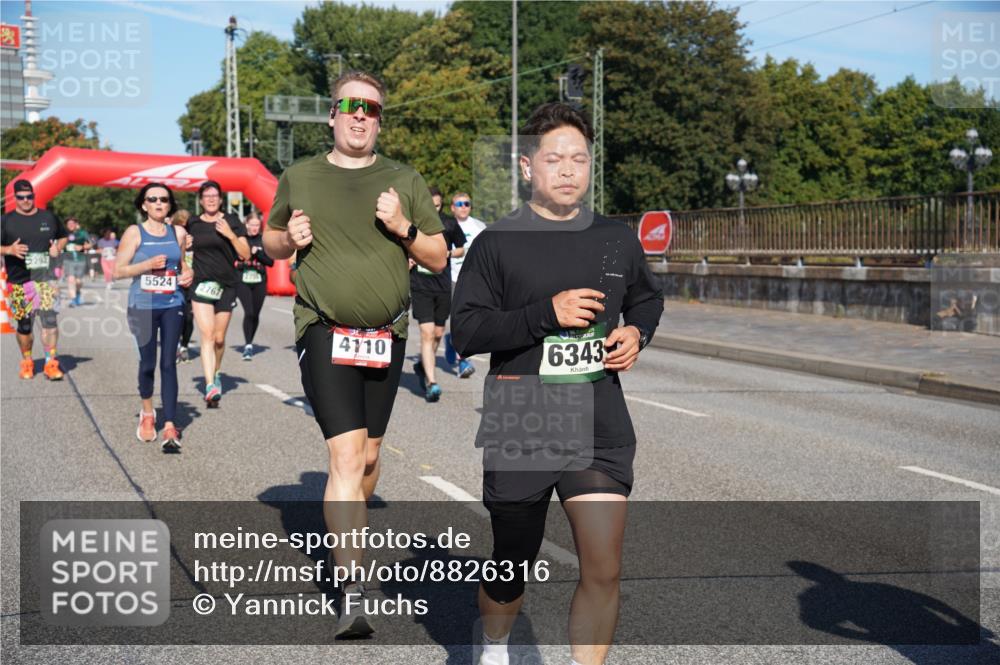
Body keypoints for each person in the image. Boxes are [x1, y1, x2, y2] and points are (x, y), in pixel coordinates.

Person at [451, 103, 664, 665]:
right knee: (511, 560)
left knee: (603, 565)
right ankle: (494, 646)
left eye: (580, 159)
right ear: (527, 167)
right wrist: (546, 311)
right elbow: (467, 331)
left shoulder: (615, 238)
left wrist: (638, 332)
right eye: (554, 158)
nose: (568, 169)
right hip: (525, 410)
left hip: (598, 413)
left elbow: (646, 295)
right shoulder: (497, 242)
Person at [263, 70, 446, 638]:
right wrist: (287, 240)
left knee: (368, 459)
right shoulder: (300, 175)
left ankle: (349, 536)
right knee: (344, 459)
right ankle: (352, 590)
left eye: (371, 108)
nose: (360, 115)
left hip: (385, 335)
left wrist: (402, 225)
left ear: (379, 119)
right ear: (332, 115)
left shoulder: (404, 179)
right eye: (349, 105)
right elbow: (267, 241)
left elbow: (438, 257)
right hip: (322, 327)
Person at [114, 183, 194, 452]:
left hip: (173, 303)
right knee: (148, 363)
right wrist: (146, 265)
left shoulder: (178, 232)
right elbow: (117, 271)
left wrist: (188, 274)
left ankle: (170, 424)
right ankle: (148, 412)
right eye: (153, 199)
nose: (159, 203)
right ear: (144, 205)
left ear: (170, 204)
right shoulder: (134, 233)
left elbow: (182, 266)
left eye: (164, 199)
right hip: (142, 305)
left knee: (168, 363)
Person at [187, 181, 249, 405]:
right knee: (208, 335)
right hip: (201, 283)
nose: (211, 199)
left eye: (215, 195)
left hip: (226, 285)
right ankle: (210, 384)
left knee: (220, 339)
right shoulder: (192, 222)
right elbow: (183, 248)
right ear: (201, 200)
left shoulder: (231, 220)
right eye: (207, 196)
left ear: (220, 199)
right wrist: (185, 246)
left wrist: (230, 235)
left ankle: (217, 371)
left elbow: (246, 254)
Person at [1, 179, 68, 380]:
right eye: (21, 197)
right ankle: (27, 361)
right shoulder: (6, 221)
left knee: (50, 322)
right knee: (24, 326)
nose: (25, 200)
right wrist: (8, 250)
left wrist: (58, 247)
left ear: (34, 196)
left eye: (29, 196)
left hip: (45, 281)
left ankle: (50, 363)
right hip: (19, 282)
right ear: (15, 198)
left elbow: (63, 236)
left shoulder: (48, 217)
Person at [410, 186, 466, 401]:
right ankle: (432, 382)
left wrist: (448, 252)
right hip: (420, 284)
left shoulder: (449, 223)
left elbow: (461, 248)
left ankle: (424, 366)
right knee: (426, 333)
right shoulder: (414, 223)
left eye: (437, 205)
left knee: (438, 334)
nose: (434, 209)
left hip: (442, 285)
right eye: (430, 205)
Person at [444, 191, 487, 378]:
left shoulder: (479, 226)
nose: (464, 207)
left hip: (472, 279)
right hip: (450, 277)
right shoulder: (444, 225)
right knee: (457, 319)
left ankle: (459, 353)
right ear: (452, 208)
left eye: (467, 203)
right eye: (459, 204)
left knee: (469, 319)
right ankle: (458, 351)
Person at [236, 212, 273, 360]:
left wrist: (257, 254)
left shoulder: (263, 240)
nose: (254, 228)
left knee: (256, 314)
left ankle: (250, 341)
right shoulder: (241, 239)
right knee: (249, 312)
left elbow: (271, 262)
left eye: (257, 225)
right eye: (252, 225)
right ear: (246, 224)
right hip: (243, 280)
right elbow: (233, 259)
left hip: (259, 281)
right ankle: (248, 344)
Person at [169, 209, 196, 363]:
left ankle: (184, 345)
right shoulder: (172, 238)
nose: (185, 231)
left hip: (192, 283)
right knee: (175, 317)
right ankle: (176, 345)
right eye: (181, 226)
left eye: (187, 227)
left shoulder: (196, 239)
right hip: (175, 282)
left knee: (189, 317)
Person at [62, 217, 92, 307]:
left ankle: (78, 292)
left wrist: (82, 247)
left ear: (76, 224)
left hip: (80, 259)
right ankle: (73, 300)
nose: (70, 225)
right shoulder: (63, 233)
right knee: (71, 280)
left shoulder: (82, 233)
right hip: (68, 260)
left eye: (72, 223)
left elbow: (90, 244)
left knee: (78, 282)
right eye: (68, 224)